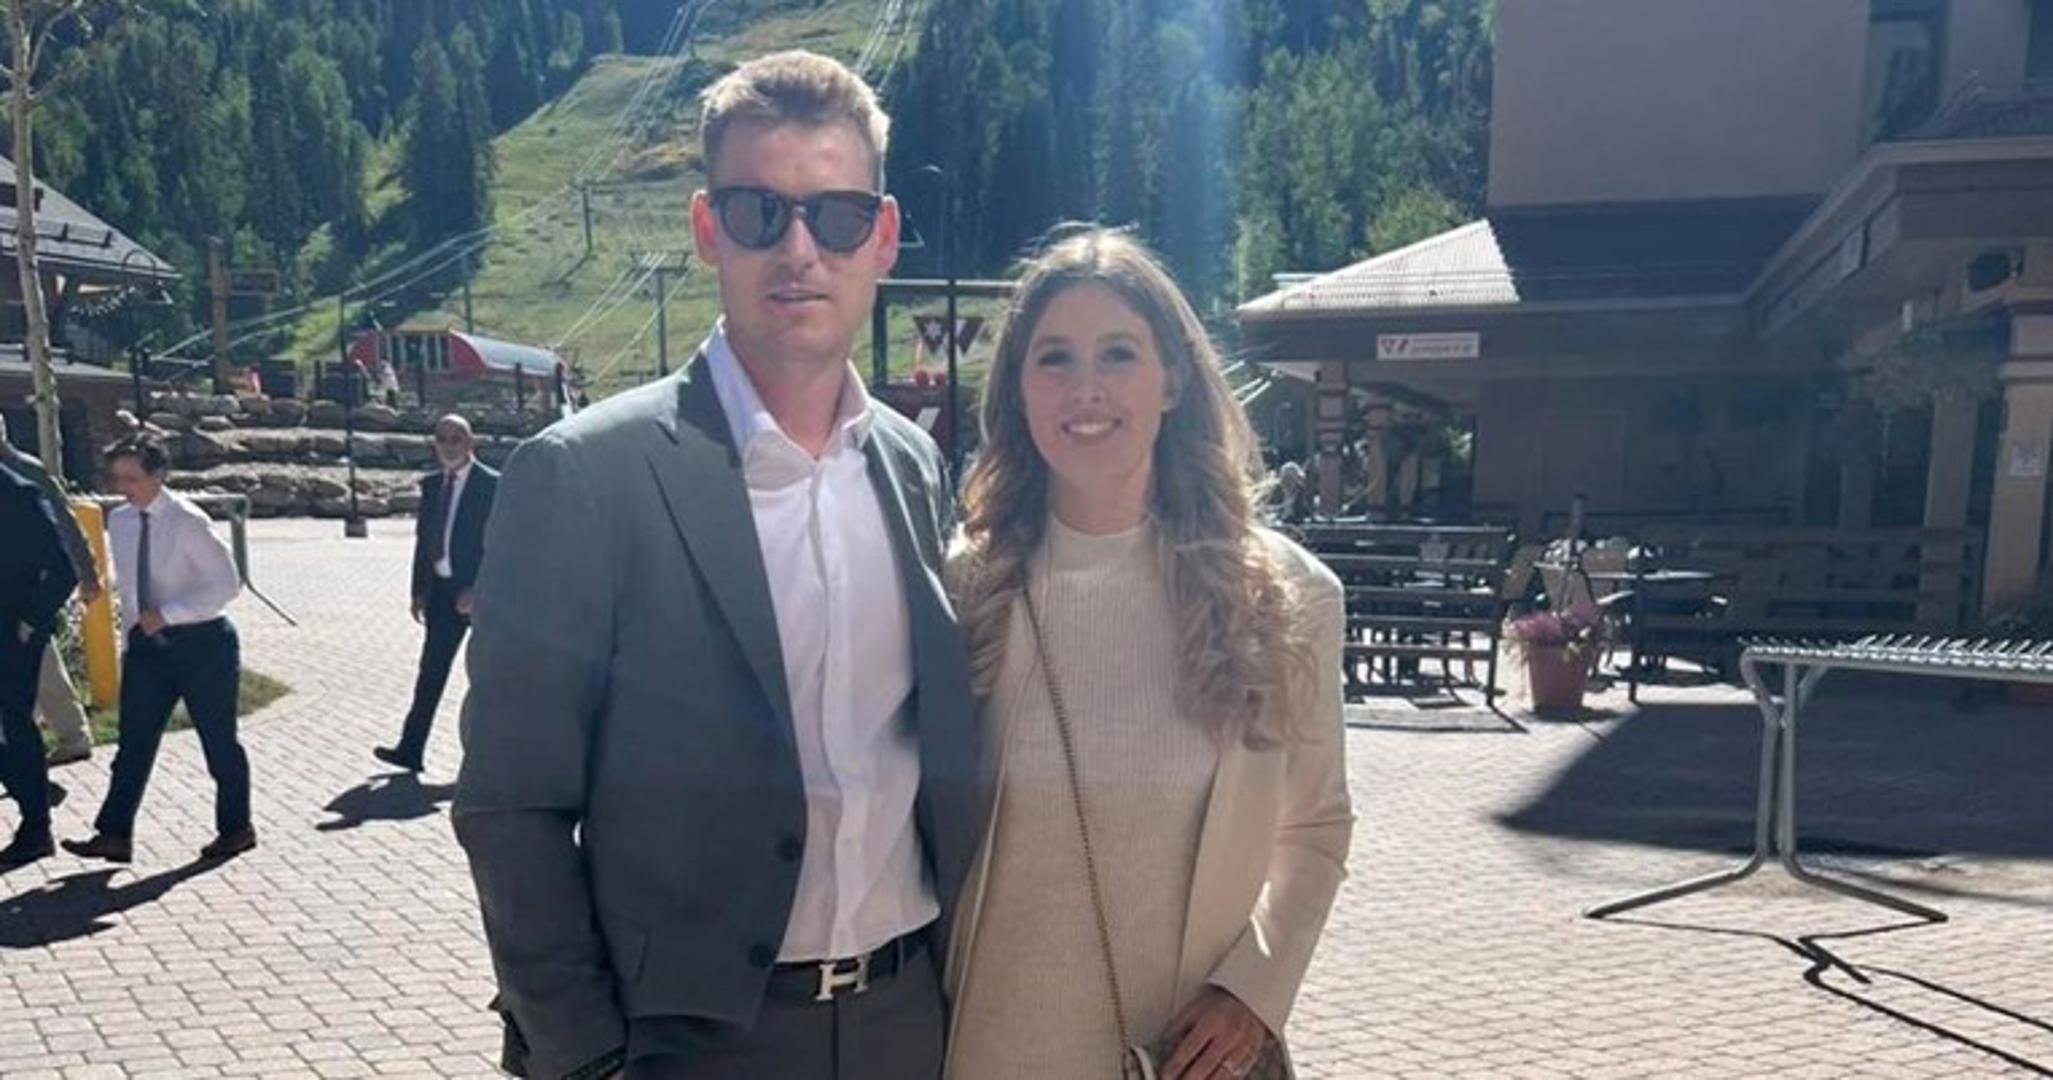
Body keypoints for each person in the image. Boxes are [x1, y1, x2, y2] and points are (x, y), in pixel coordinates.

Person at [453, 50, 980, 1080]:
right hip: (687, 1042)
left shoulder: (913, 467)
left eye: (835, 217)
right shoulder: (584, 477)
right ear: (707, 230)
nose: (799, 250)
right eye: (757, 213)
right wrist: (585, 1056)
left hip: (907, 1022)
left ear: (880, 236)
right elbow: (510, 803)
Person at [942, 229, 1352, 1080]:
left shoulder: (1285, 597)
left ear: (1171, 380)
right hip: (989, 1049)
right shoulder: (965, 589)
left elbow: (1315, 827)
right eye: (1053, 358)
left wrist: (1254, 990)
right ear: (1017, 389)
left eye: (1118, 354)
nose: (1084, 387)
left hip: (1180, 1061)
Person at [64, 435, 254, 865]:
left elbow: (226, 584)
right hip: (147, 647)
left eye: (132, 478)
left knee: (219, 742)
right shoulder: (121, 521)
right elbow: (133, 588)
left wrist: (169, 614)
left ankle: (236, 828)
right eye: (117, 478)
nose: (123, 487)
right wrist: (132, 636)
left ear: (157, 476)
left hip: (203, 644)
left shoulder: (188, 521)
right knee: (133, 742)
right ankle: (114, 834)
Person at [375, 414, 498, 773]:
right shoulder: (431, 486)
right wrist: (418, 591)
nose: (449, 445)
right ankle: (410, 749)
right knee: (430, 672)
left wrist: (478, 587)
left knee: (491, 675)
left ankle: (492, 755)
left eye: (456, 438)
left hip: (480, 594)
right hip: (442, 594)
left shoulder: (492, 485)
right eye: (442, 439)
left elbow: (502, 544)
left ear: (470, 443)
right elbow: (424, 542)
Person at [0, 412, 101, 766]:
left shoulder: (26, 473)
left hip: (28, 589)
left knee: (38, 659)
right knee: (42, 661)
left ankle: (63, 737)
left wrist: (87, 572)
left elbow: (64, 523)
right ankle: (68, 734)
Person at [1, 466, 79, 869]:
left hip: (13, 634)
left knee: (16, 724)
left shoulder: (20, 495)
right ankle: (31, 786)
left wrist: (30, 621)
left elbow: (64, 571)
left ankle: (36, 829)